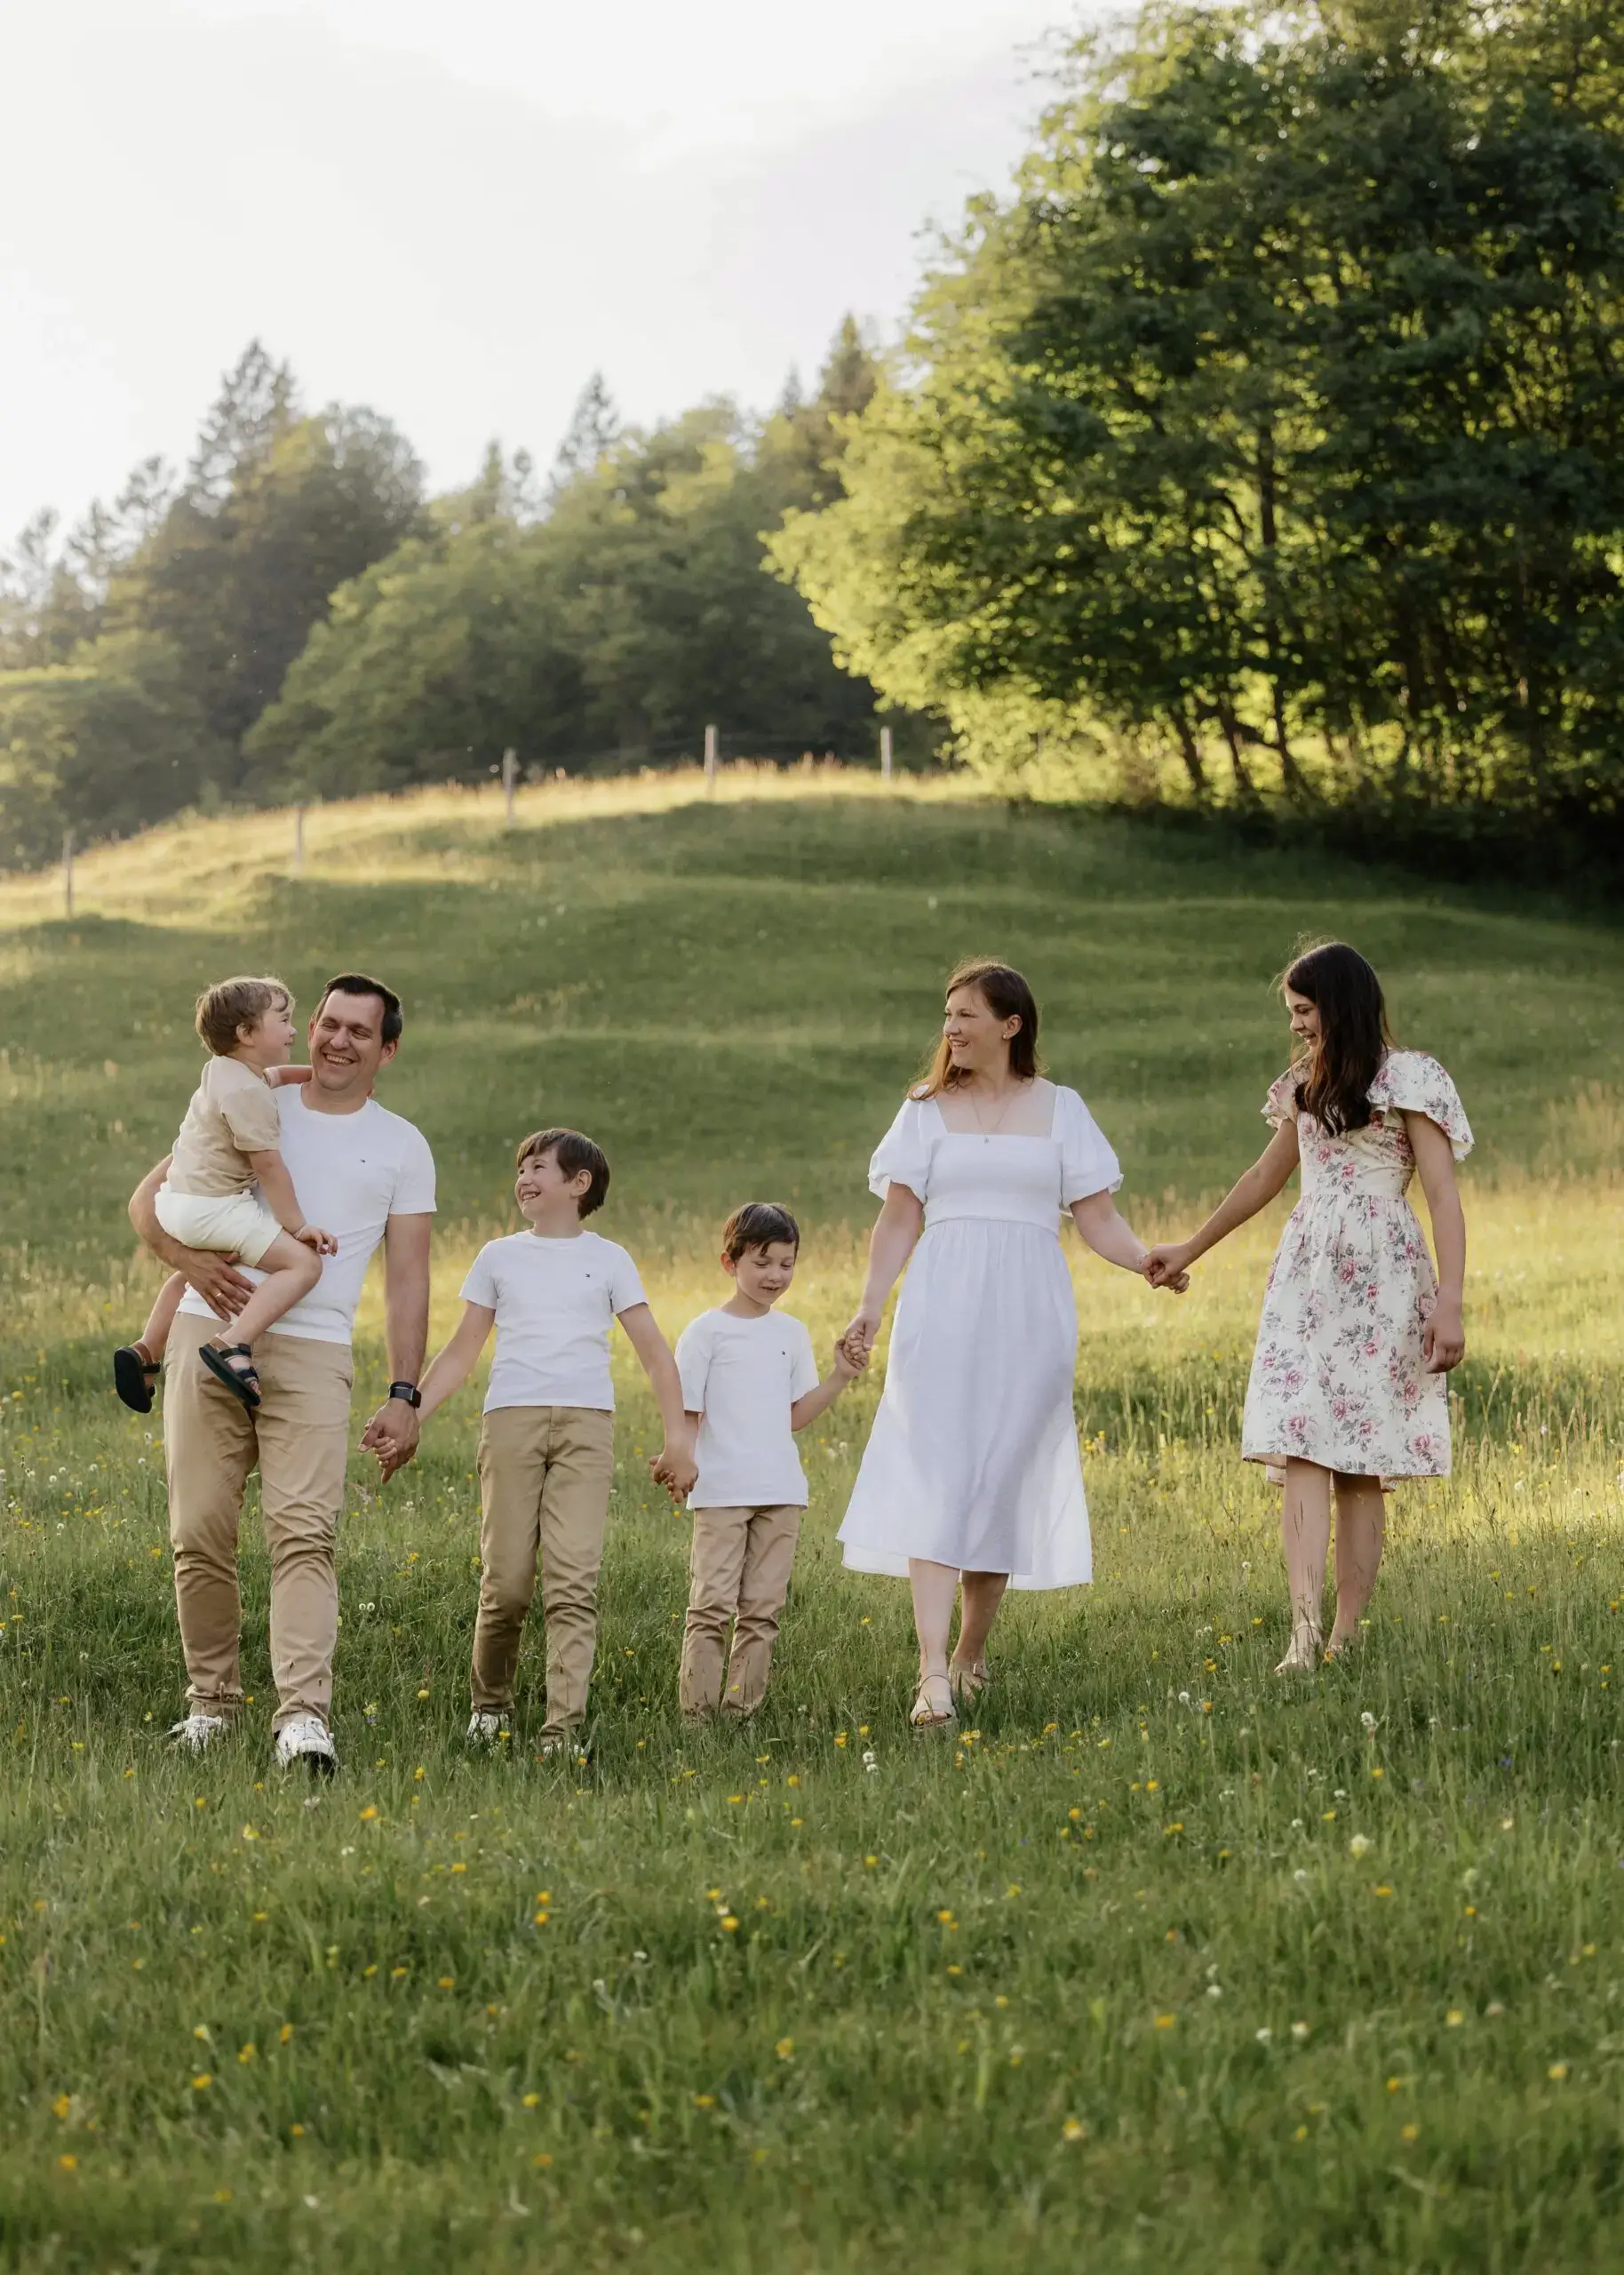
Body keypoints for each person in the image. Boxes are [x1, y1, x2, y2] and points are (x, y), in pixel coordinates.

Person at [839, 958, 1186, 1732]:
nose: (951, 1028)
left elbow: (1097, 1217)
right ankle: (932, 1671)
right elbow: (898, 1219)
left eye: (966, 1014)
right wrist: (869, 1308)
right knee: (937, 1477)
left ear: (1011, 1024)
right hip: (941, 1308)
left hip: (1031, 1314)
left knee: (999, 1481)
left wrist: (1144, 1261)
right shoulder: (924, 1109)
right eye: (947, 1015)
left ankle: (971, 1651)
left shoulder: (1062, 1109)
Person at [128, 974, 434, 1771]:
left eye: (359, 1031)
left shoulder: (403, 1146)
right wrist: (188, 1263)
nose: (335, 1040)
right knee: (198, 1530)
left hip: (316, 1350)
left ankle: (302, 1719)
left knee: (305, 1533)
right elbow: (147, 1202)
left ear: (387, 1051)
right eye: (327, 1022)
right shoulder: (252, 1093)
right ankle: (211, 1705)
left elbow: (409, 1280)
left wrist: (405, 1392)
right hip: (208, 1333)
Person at [1145, 940, 1471, 1671]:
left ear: (1339, 1005)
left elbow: (1443, 1196)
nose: (1295, 1025)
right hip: (1306, 1279)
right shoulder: (1301, 1086)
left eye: (1303, 1010)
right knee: (1300, 1443)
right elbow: (1262, 1179)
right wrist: (1189, 1248)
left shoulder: (1409, 1079)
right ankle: (1302, 1631)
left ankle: (1345, 1637)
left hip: (1384, 1278)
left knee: (1359, 1461)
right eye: (1291, 1012)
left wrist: (1449, 1301)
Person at [397, 1127, 696, 1755]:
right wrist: (411, 1414)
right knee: (506, 1584)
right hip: (512, 1423)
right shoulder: (498, 1256)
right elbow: (462, 1350)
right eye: (520, 1169)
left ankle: (563, 1729)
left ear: (578, 1183)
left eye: (538, 1167)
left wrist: (679, 1439)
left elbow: (654, 1354)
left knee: (573, 1582)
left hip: (587, 1429)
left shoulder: (610, 1260)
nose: (524, 1178)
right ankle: (490, 1707)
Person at [673, 1202, 865, 1720]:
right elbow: (687, 1413)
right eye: (762, 1263)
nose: (775, 1275)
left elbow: (795, 1416)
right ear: (730, 1262)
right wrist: (680, 1458)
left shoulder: (791, 1333)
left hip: (780, 1493)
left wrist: (840, 1376)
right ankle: (697, 1719)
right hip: (721, 1492)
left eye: (786, 1263)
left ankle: (742, 1715)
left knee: (762, 1612)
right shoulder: (705, 1333)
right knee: (711, 1607)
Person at [114, 975, 335, 1416]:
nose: (294, 1031)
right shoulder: (249, 1095)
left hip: (176, 1201)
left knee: (203, 1272)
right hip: (213, 1208)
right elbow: (269, 1167)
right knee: (304, 1265)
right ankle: (233, 1344)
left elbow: (275, 1076)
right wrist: (298, 1227)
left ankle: (146, 1350)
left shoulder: (224, 1070)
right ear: (247, 1033)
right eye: (284, 1020)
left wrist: (316, 1077)